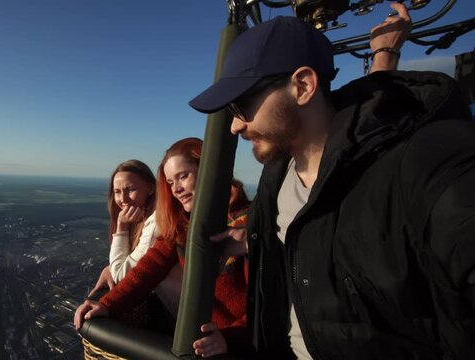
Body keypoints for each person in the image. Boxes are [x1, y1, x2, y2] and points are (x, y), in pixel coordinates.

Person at [189, 3, 475, 360]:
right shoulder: (275, 181)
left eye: (242, 106)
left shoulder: (427, 166)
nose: (235, 126)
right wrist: (255, 239)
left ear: (303, 86)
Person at [74, 137, 250, 358]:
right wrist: (107, 304)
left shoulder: (250, 224)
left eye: (183, 176)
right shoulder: (183, 226)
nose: (176, 189)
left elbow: (269, 302)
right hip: (202, 342)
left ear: (209, 170)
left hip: (240, 346)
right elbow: (149, 268)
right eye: (170, 182)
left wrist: (230, 337)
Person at [88, 160, 182, 319]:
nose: (123, 199)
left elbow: (122, 276)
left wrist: (121, 228)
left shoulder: (158, 222)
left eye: (130, 189)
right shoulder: (149, 215)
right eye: (117, 191)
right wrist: (109, 268)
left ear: (151, 188)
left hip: (183, 321)